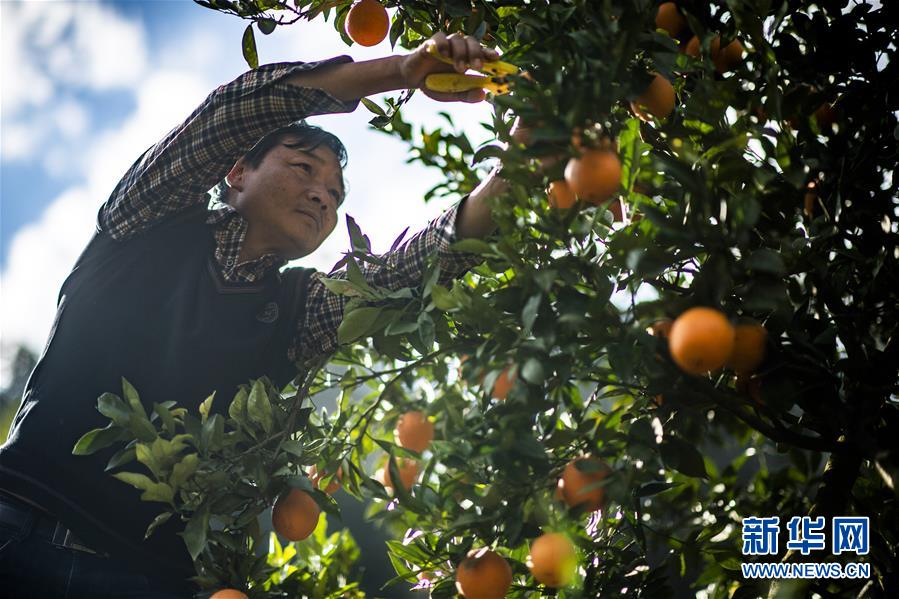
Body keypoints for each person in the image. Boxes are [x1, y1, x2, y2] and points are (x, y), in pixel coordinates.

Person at [0, 31, 512, 598]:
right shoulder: (148, 220)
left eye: (336, 194)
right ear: (237, 173)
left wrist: (523, 160)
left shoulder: (297, 311)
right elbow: (230, 116)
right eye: (304, 168)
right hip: (19, 518)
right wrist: (402, 70)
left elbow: (411, 271)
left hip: (143, 576)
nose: (323, 196)